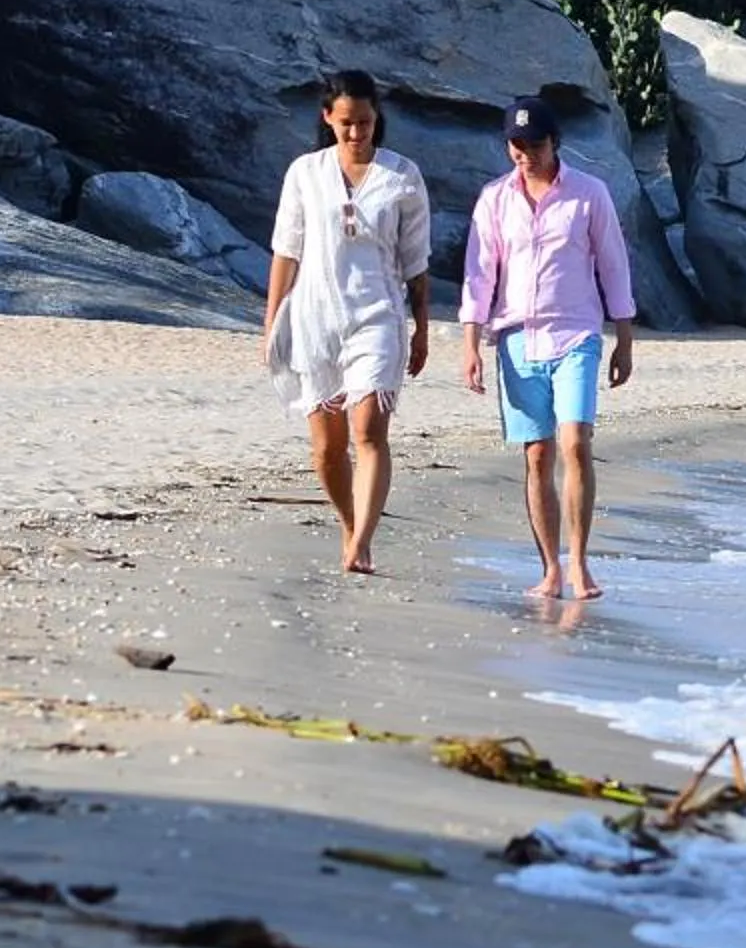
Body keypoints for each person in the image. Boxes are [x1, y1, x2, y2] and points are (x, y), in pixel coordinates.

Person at [459, 95, 636, 600]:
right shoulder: (494, 198)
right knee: (537, 454)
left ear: (555, 142)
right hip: (516, 338)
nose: (525, 155)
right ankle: (550, 570)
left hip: (577, 333)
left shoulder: (590, 194)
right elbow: (479, 273)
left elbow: (613, 265)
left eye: (534, 145)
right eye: (516, 146)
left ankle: (579, 563)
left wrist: (624, 339)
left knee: (575, 442)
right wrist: (471, 344)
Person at [262, 70, 432, 575]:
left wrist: (422, 327)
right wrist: (271, 323)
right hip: (314, 318)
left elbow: (416, 261)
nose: (356, 133)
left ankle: (361, 542)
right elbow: (286, 252)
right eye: (346, 124)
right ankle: (349, 521)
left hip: (378, 315)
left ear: (377, 118)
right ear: (328, 120)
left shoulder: (402, 177)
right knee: (326, 449)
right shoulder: (305, 173)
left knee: (369, 430)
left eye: (365, 122)